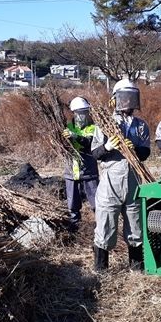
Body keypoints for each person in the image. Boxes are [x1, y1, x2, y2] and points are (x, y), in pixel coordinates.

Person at [91, 79, 150, 271]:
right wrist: (107, 147)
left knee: (136, 226)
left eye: (131, 97)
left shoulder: (140, 125)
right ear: (115, 99)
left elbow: (146, 153)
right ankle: (101, 270)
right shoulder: (105, 124)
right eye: (124, 97)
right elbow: (95, 153)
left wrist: (136, 150)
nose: (128, 102)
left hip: (134, 182)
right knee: (105, 225)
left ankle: (137, 267)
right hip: (110, 183)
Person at [62, 97, 99, 231]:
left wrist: (75, 136)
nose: (83, 116)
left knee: (96, 202)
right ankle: (75, 227)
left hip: (89, 171)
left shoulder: (93, 128)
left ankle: (100, 226)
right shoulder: (67, 127)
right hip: (71, 171)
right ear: (73, 113)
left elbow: (89, 143)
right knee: (72, 202)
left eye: (85, 112)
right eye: (80, 113)